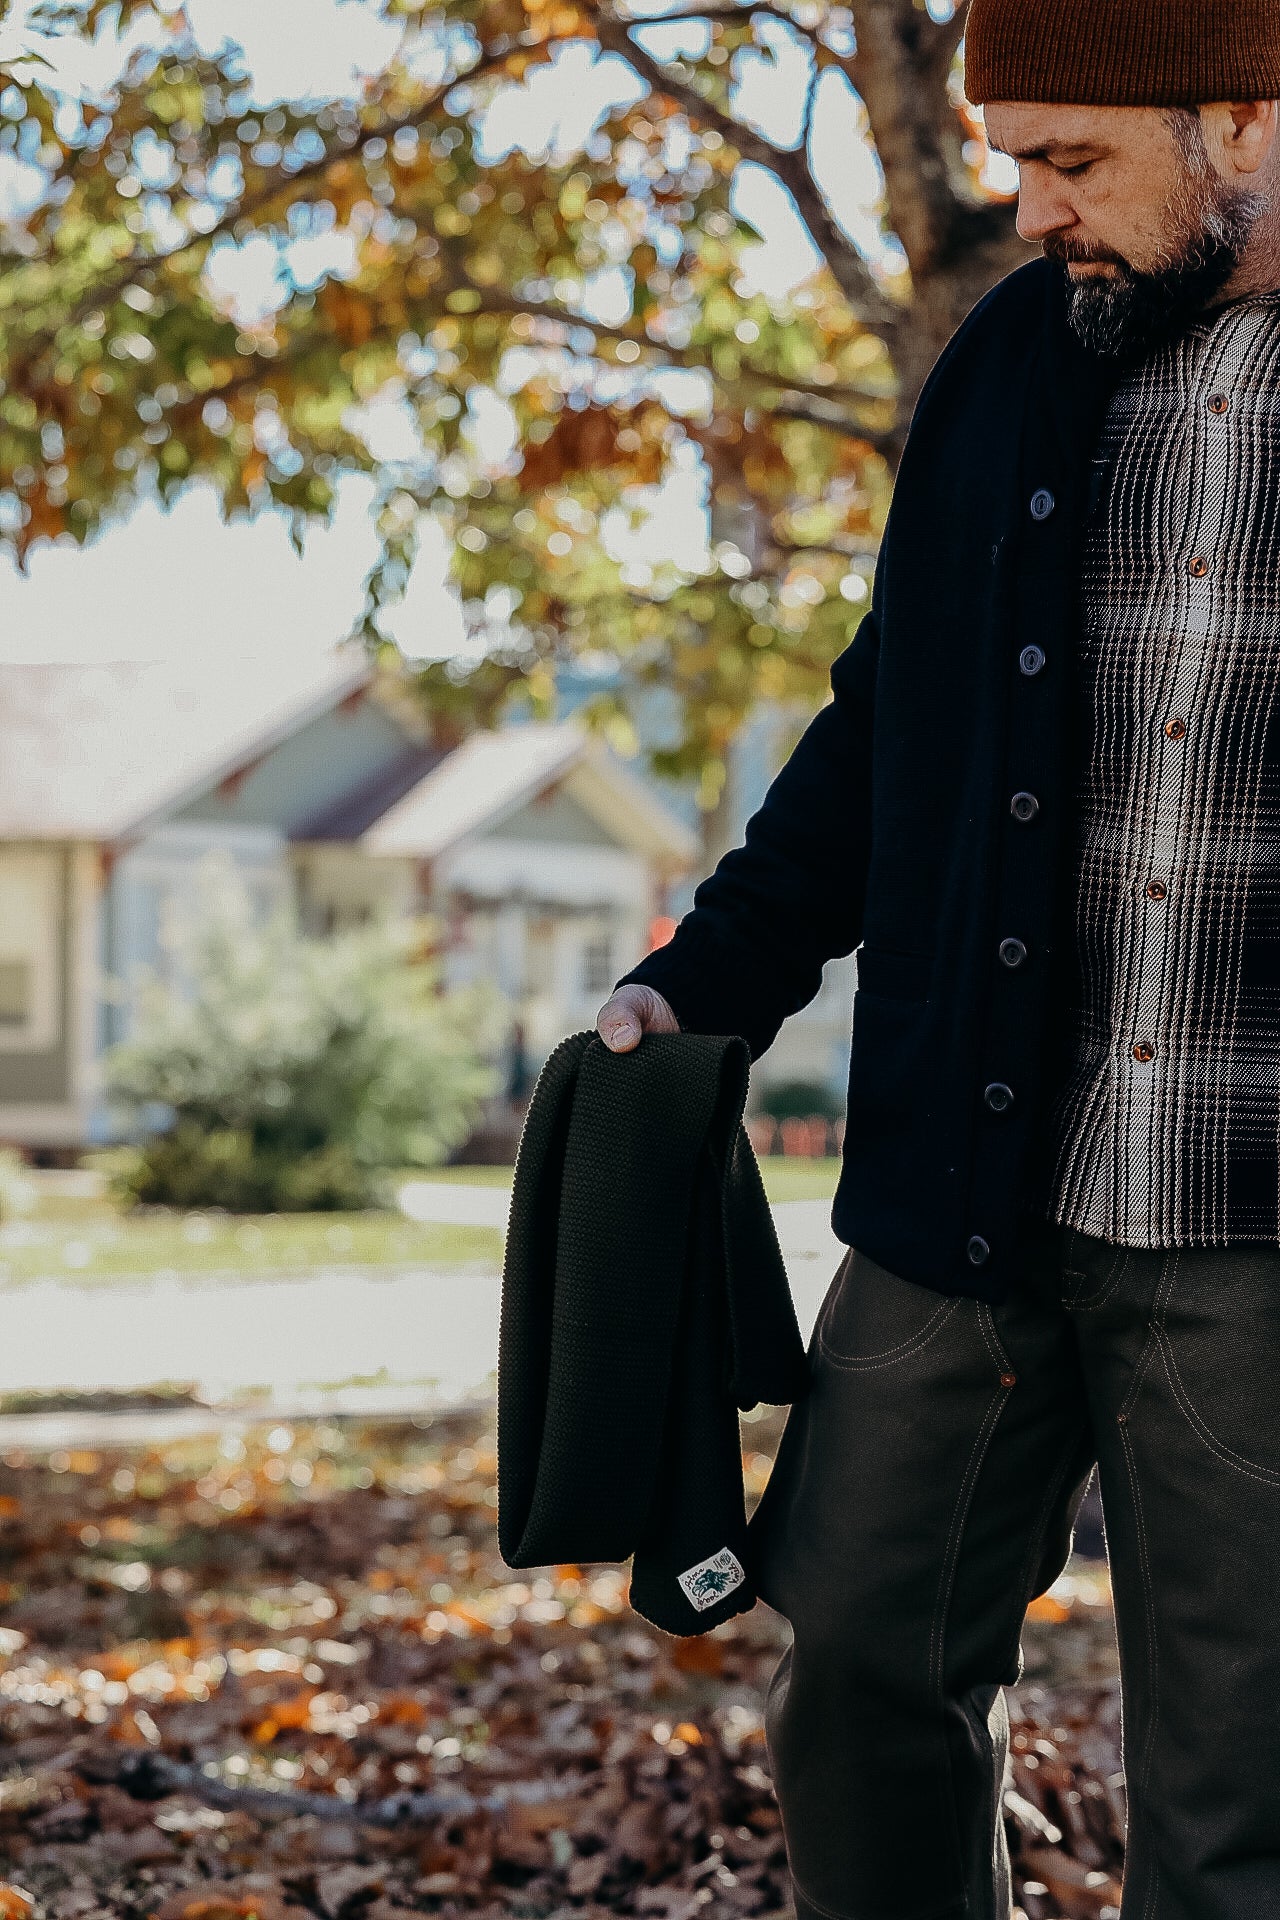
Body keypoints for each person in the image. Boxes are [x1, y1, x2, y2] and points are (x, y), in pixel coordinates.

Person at [594, 2, 1280, 1913]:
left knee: (1242, 1795)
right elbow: (887, 723)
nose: (1038, 207)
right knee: (864, 1679)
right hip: (970, 1182)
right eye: (1014, 161)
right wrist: (709, 981)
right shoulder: (1011, 364)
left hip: (1252, 1212)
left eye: (1076, 162)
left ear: (1242, 112)